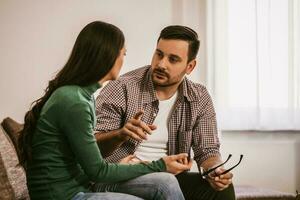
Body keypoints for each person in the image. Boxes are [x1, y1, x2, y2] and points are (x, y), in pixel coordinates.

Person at [18, 21, 193, 200]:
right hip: (63, 196)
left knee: (165, 183)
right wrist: (159, 165)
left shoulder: (83, 97)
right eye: (123, 54)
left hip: (81, 185)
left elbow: (86, 163)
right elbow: (98, 172)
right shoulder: (73, 101)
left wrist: (126, 166)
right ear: (108, 56)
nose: (124, 60)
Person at [95, 25, 236, 200]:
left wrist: (215, 170)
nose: (161, 64)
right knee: (164, 183)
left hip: (170, 176)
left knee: (221, 190)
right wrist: (120, 135)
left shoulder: (199, 97)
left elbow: (207, 151)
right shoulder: (122, 87)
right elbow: (92, 146)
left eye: (173, 59)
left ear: (190, 66)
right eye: (159, 54)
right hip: (118, 176)